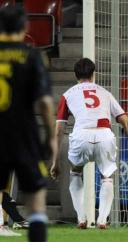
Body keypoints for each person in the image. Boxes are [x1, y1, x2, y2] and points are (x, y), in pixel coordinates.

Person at [50, 58, 128, 229]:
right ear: (93, 75)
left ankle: (81, 218)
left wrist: (55, 162)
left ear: (75, 75)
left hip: (81, 136)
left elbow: (59, 130)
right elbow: (127, 123)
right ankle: (102, 220)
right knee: (107, 177)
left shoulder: (68, 94)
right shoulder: (105, 93)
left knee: (75, 172)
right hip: (104, 135)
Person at [0, 4, 57, 241]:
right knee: (36, 200)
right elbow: (44, 102)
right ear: (25, 26)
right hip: (25, 137)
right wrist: (50, 136)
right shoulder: (34, 55)